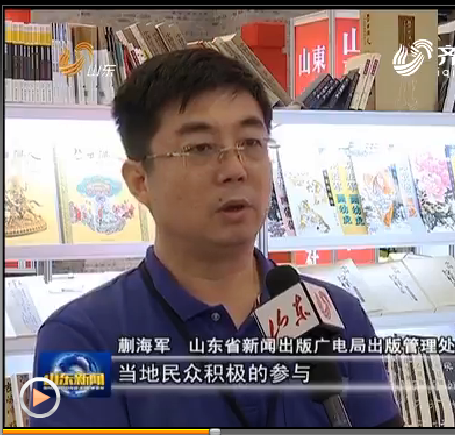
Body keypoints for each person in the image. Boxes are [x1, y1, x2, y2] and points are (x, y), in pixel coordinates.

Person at [30, 48, 403, 428]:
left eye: (251, 142)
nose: (235, 169)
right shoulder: (80, 341)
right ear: (140, 181)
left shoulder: (337, 314)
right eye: (201, 148)